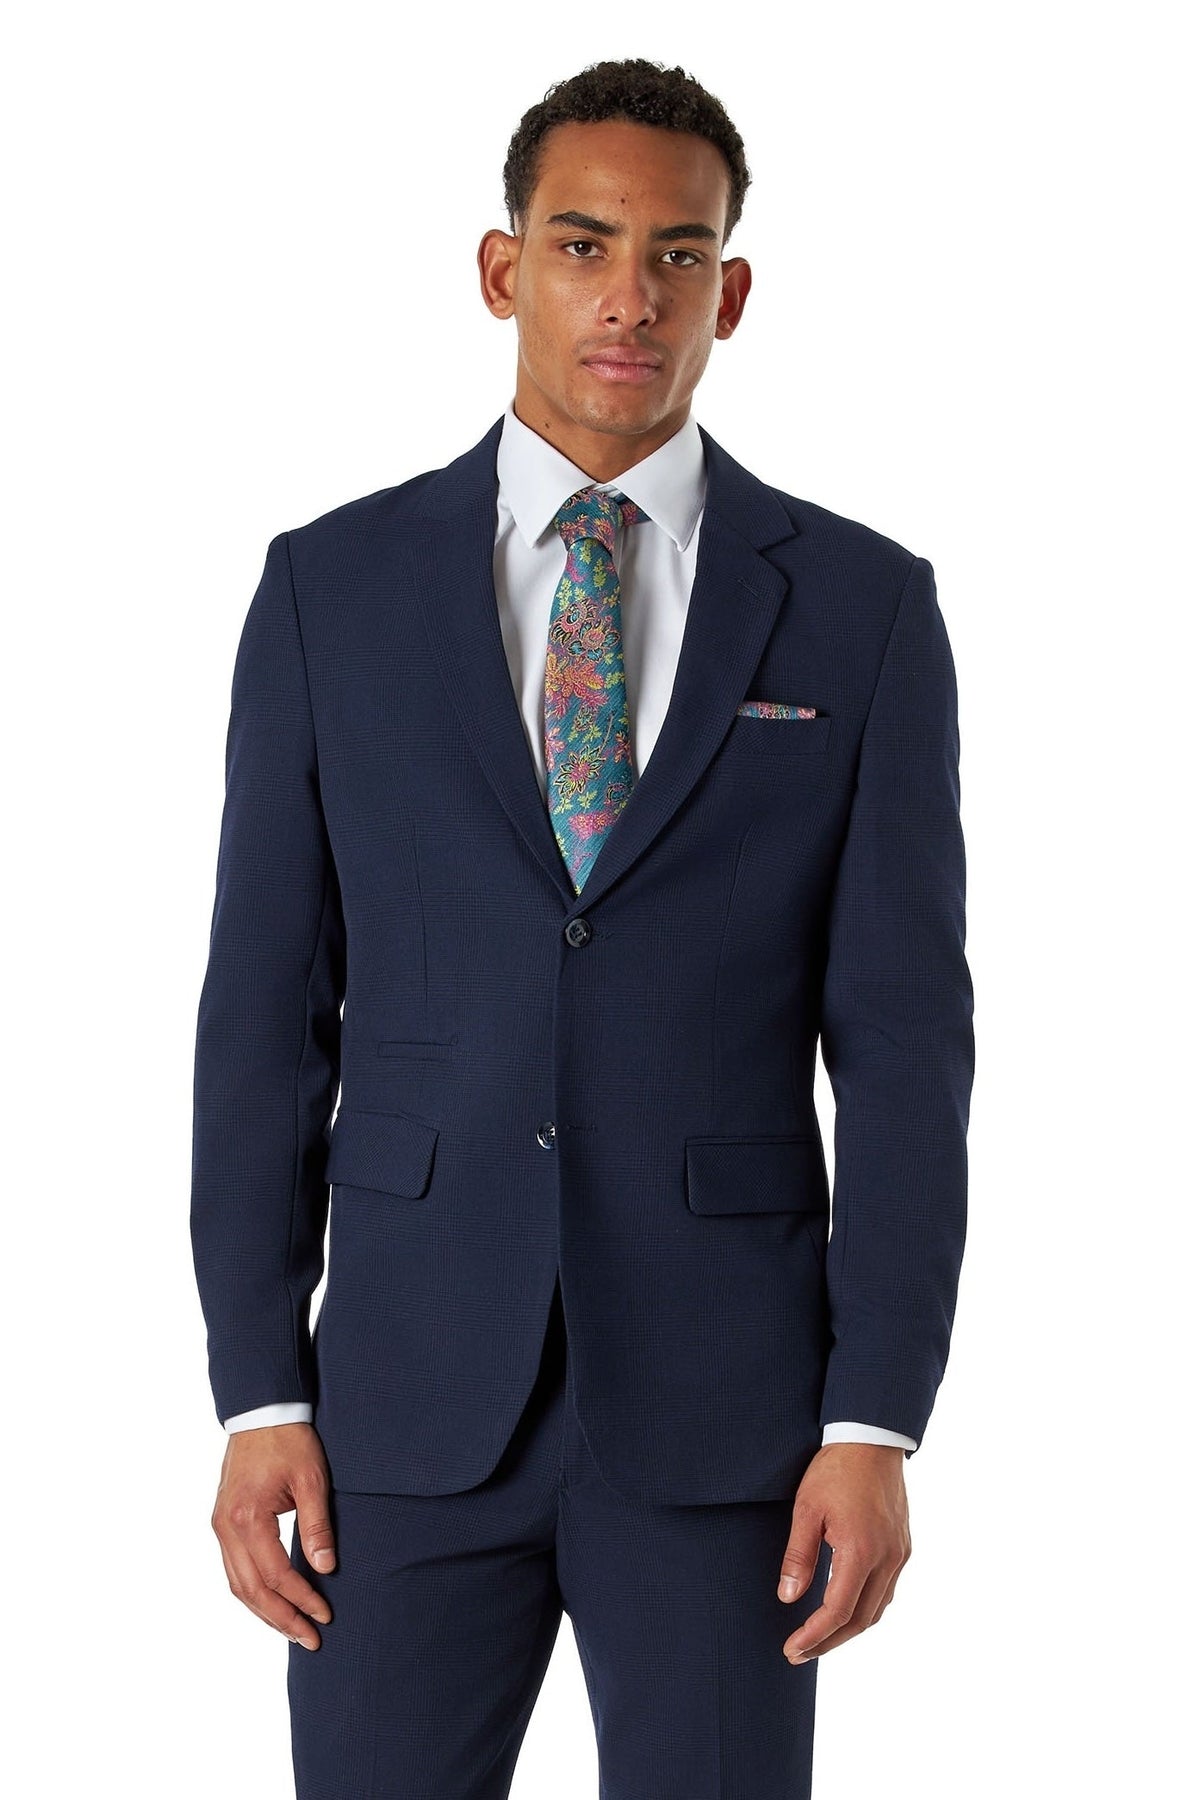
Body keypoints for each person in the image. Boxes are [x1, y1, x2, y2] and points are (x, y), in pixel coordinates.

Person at [191, 56, 975, 1800]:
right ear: (502, 269)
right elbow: (261, 1019)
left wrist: (874, 1418)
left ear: (732, 292)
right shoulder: (331, 592)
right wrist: (259, 1393)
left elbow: (907, 1051)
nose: (633, 297)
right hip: (399, 1409)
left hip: (731, 1424)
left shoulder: (860, 611)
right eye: (584, 245)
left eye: (680, 255)